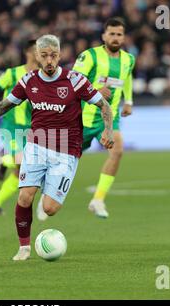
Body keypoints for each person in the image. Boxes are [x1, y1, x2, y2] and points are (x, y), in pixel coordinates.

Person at [0, 34, 114, 261]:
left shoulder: (75, 80)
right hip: (37, 146)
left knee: (50, 208)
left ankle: (47, 192)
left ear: (59, 55)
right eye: (44, 56)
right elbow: (2, 106)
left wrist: (108, 130)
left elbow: (103, 104)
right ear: (37, 57)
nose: (49, 60)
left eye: (53, 55)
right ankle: (24, 247)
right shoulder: (28, 81)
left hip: (66, 151)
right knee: (24, 197)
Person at [71, 17, 135, 218]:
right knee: (64, 162)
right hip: (81, 119)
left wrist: (129, 101)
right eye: (112, 34)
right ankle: (48, 196)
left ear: (123, 37)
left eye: (119, 34)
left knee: (117, 151)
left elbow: (127, 77)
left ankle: (98, 199)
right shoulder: (90, 56)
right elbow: (71, 82)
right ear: (104, 36)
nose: (115, 38)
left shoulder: (128, 59)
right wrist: (95, 90)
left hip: (109, 119)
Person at [0, 39, 38, 216]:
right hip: (11, 126)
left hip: (31, 128)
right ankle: (4, 160)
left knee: (21, 170)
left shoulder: (43, 76)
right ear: (29, 53)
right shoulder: (12, 73)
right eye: (38, 51)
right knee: (22, 162)